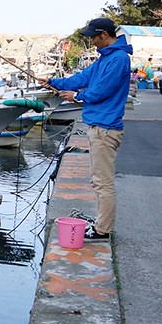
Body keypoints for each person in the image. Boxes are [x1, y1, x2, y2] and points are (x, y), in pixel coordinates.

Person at [42, 17, 133, 241]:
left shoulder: (119, 59)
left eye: (93, 37)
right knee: (98, 179)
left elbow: (102, 90)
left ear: (104, 34)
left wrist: (77, 96)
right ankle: (102, 224)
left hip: (105, 129)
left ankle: (102, 230)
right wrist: (55, 82)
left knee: (103, 182)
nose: (92, 41)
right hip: (98, 126)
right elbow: (83, 78)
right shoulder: (106, 58)